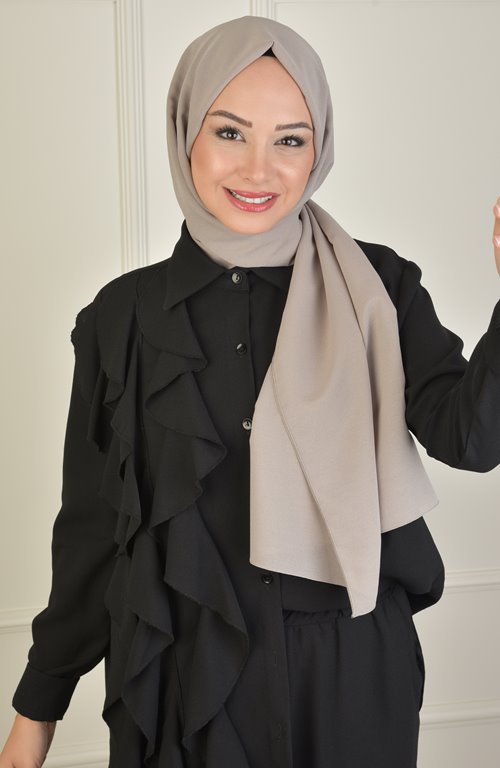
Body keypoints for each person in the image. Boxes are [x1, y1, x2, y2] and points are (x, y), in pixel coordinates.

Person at [1, 14, 499, 768]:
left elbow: (472, 437)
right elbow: (92, 533)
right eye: (230, 132)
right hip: (180, 686)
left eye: (290, 140)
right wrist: (36, 716)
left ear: (319, 149)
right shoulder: (121, 318)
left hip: (349, 687)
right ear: (186, 135)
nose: (259, 169)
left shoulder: (380, 287)